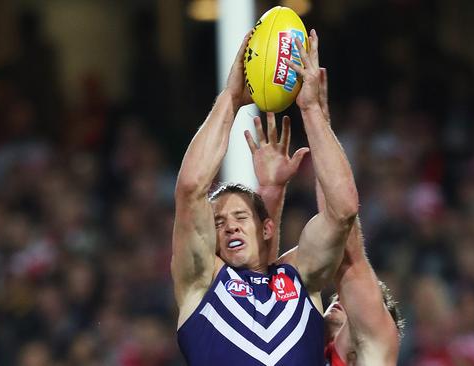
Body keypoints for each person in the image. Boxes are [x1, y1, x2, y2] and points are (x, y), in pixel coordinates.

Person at [172, 30, 359, 366]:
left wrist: (313, 110)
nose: (229, 226)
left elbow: (343, 210)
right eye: (219, 222)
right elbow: (189, 189)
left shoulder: (300, 276)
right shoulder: (201, 283)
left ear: (267, 229)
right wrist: (230, 98)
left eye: (240, 217)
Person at [248, 67, 404, 365]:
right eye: (337, 299)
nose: (337, 302)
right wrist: (272, 192)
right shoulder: (302, 350)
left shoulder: (377, 348)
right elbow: (263, 285)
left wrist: (314, 112)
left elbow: (347, 248)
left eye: (346, 302)